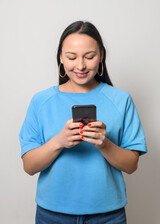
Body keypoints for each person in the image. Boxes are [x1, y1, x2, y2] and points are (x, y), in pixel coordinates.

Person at [19, 21, 147, 224]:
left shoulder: (121, 100)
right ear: (61, 57)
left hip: (108, 215)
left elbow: (131, 165)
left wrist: (104, 144)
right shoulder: (41, 101)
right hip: (52, 214)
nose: (80, 65)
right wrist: (58, 142)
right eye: (71, 57)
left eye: (89, 56)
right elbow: (29, 166)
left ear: (101, 56)